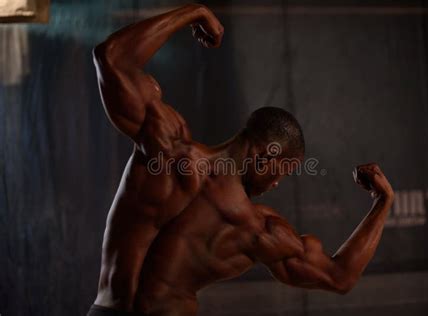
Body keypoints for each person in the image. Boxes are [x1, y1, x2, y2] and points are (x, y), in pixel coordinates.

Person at [89, 4, 394, 316]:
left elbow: (112, 59)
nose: (276, 183)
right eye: (282, 172)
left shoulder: (166, 148)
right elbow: (339, 276)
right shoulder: (257, 229)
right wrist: (382, 201)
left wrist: (194, 13)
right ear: (264, 157)